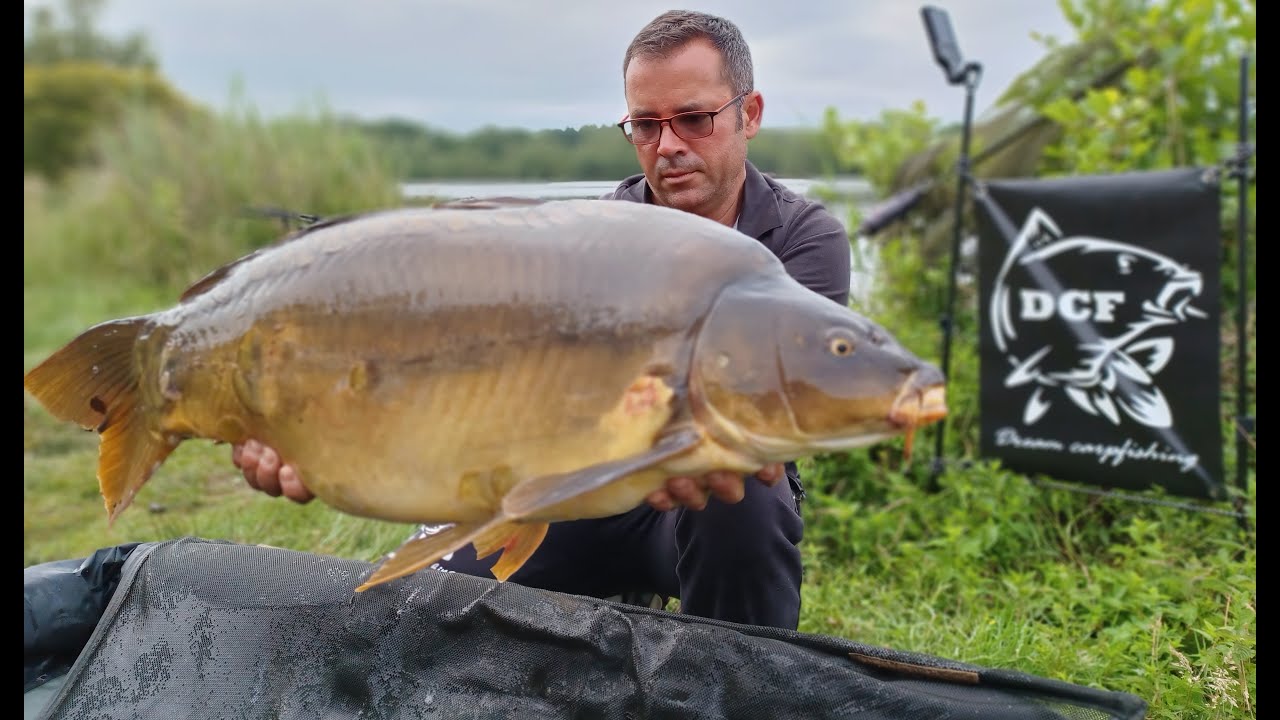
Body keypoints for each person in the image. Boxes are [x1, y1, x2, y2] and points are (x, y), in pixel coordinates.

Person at [232, 9, 850, 630]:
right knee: (435, 601)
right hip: (578, 487)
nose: (669, 146)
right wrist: (323, 436)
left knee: (737, 484)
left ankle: (743, 680)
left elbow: (756, 401)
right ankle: (613, 585)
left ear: (751, 114)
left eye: (694, 118)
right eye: (645, 125)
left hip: (700, 504)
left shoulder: (803, 238)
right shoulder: (588, 239)